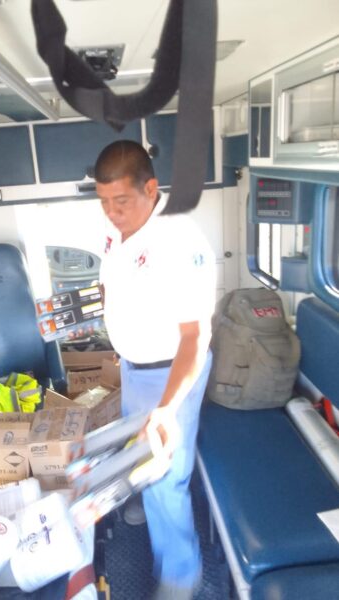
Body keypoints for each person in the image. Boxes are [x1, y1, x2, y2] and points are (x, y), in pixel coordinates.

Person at [95, 140, 216, 600]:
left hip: (171, 372)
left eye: (120, 201)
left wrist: (166, 407)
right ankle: (145, 502)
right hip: (134, 366)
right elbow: (111, 283)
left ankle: (182, 576)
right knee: (138, 449)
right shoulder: (116, 230)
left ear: (150, 188)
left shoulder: (180, 240)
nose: (111, 213)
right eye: (104, 202)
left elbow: (195, 338)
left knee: (167, 476)